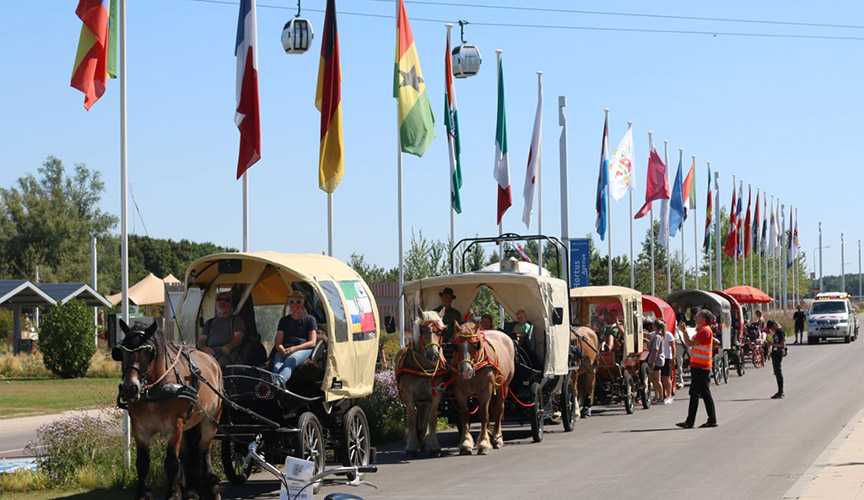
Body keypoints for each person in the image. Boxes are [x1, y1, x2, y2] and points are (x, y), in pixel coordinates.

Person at [676, 309, 717, 429]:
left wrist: (683, 331)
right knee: (700, 393)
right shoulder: (704, 330)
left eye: (698, 316)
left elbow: (689, 343)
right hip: (700, 365)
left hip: (701, 366)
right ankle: (700, 420)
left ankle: (693, 421)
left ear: (704, 319)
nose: (695, 318)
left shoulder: (704, 330)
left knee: (699, 393)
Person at [272, 290, 318, 385]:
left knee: (290, 361)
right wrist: (282, 350)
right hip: (285, 349)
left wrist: (295, 349)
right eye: (292, 302)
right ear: (288, 304)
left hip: (303, 349)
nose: (295, 305)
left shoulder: (310, 319)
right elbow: (278, 342)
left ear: (303, 303)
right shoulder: (284, 321)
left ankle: (276, 385)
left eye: (298, 302)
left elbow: (312, 342)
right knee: (277, 366)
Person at [198, 292, 245, 367]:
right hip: (209, 353)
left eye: (226, 300)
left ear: (230, 304)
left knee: (219, 364)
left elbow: (238, 338)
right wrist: (204, 348)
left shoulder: (236, 320)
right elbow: (201, 340)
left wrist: (229, 347)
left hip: (227, 354)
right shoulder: (209, 323)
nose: (223, 302)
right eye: (219, 299)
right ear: (216, 303)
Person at [647, 320, 666, 405]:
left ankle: (661, 397)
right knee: (654, 379)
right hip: (656, 359)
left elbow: (655, 349)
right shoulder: (657, 336)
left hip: (657, 360)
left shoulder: (657, 337)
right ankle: (656, 396)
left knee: (657, 379)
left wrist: (653, 361)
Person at [765, 320, 786, 399]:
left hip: (778, 353)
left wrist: (771, 344)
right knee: (776, 372)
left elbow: (782, 344)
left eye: (772, 328)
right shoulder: (777, 332)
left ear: (775, 325)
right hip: (775, 353)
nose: (772, 330)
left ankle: (781, 391)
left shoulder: (780, 332)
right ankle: (779, 391)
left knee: (778, 371)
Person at [661, 320, 677, 403]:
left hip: (667, 357)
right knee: (659, 378)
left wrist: (673, 358)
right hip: (659, 358)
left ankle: (669, 396)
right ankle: (661, 395)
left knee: (666, 377)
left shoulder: (668, 335)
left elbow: (673, 346)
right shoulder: (654, 334)